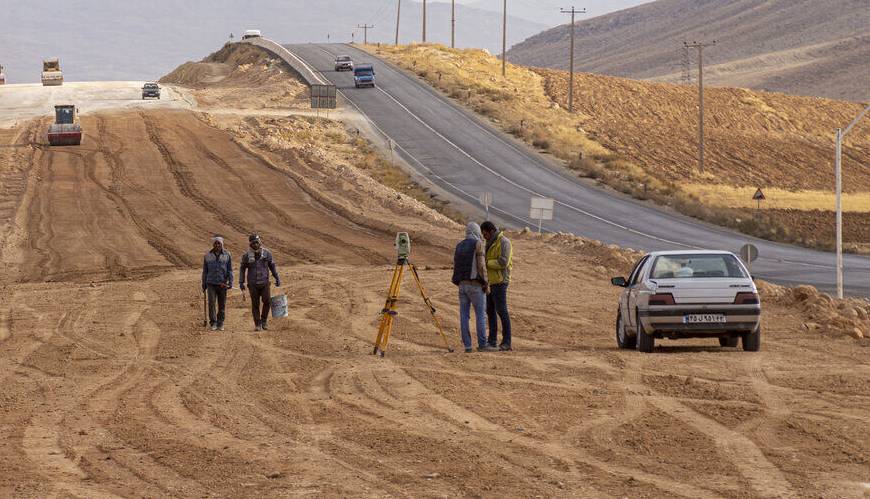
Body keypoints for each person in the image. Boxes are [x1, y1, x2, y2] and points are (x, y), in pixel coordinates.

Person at [452, 222, 492, 353]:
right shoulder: (478, 244)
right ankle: (482, 344)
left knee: (464, 315)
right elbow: (481, 266)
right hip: (475, 285)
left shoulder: (459, 246)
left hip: (462, 285)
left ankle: (467, 346)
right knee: (480, 315)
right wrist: (486, 283)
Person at [480, 221, 513, 351]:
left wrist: (487, 263)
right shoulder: (489, 243)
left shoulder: (504, 242)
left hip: (500, 282)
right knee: (490, 311)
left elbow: (503, 262)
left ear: (491, 231)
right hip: (490, 283)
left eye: (485, 234)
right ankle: (492, 341)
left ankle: (506, 342)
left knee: (502, 311)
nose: (484, 236)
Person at [239, 234, 281, 331]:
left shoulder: (266, 253)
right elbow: (242, 269)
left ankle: (264, 321)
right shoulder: (246, 256)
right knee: (255, 304)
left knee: (267, 302)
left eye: (257, 242)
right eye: (253, 243)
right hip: (253, 284)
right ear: (250, 244)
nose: (256, 244)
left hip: (264, 282)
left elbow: (272, 266)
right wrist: (241, 282)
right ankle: (257, 324)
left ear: (260, 242)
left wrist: (277, 277)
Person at [202, 235, 233, 331]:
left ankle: (220, 323)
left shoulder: (227, 255)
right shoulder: (207, 255)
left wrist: (230, 281)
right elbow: (205, 271)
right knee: (211, 303)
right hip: (211, 283)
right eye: (215, 243)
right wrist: (203, 283)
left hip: (222, 283)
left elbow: (230, 270)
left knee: (222, 304)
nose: (217, 245)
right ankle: (213, 323)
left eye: (219, 243)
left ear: (222, 244)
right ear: (213, 244)